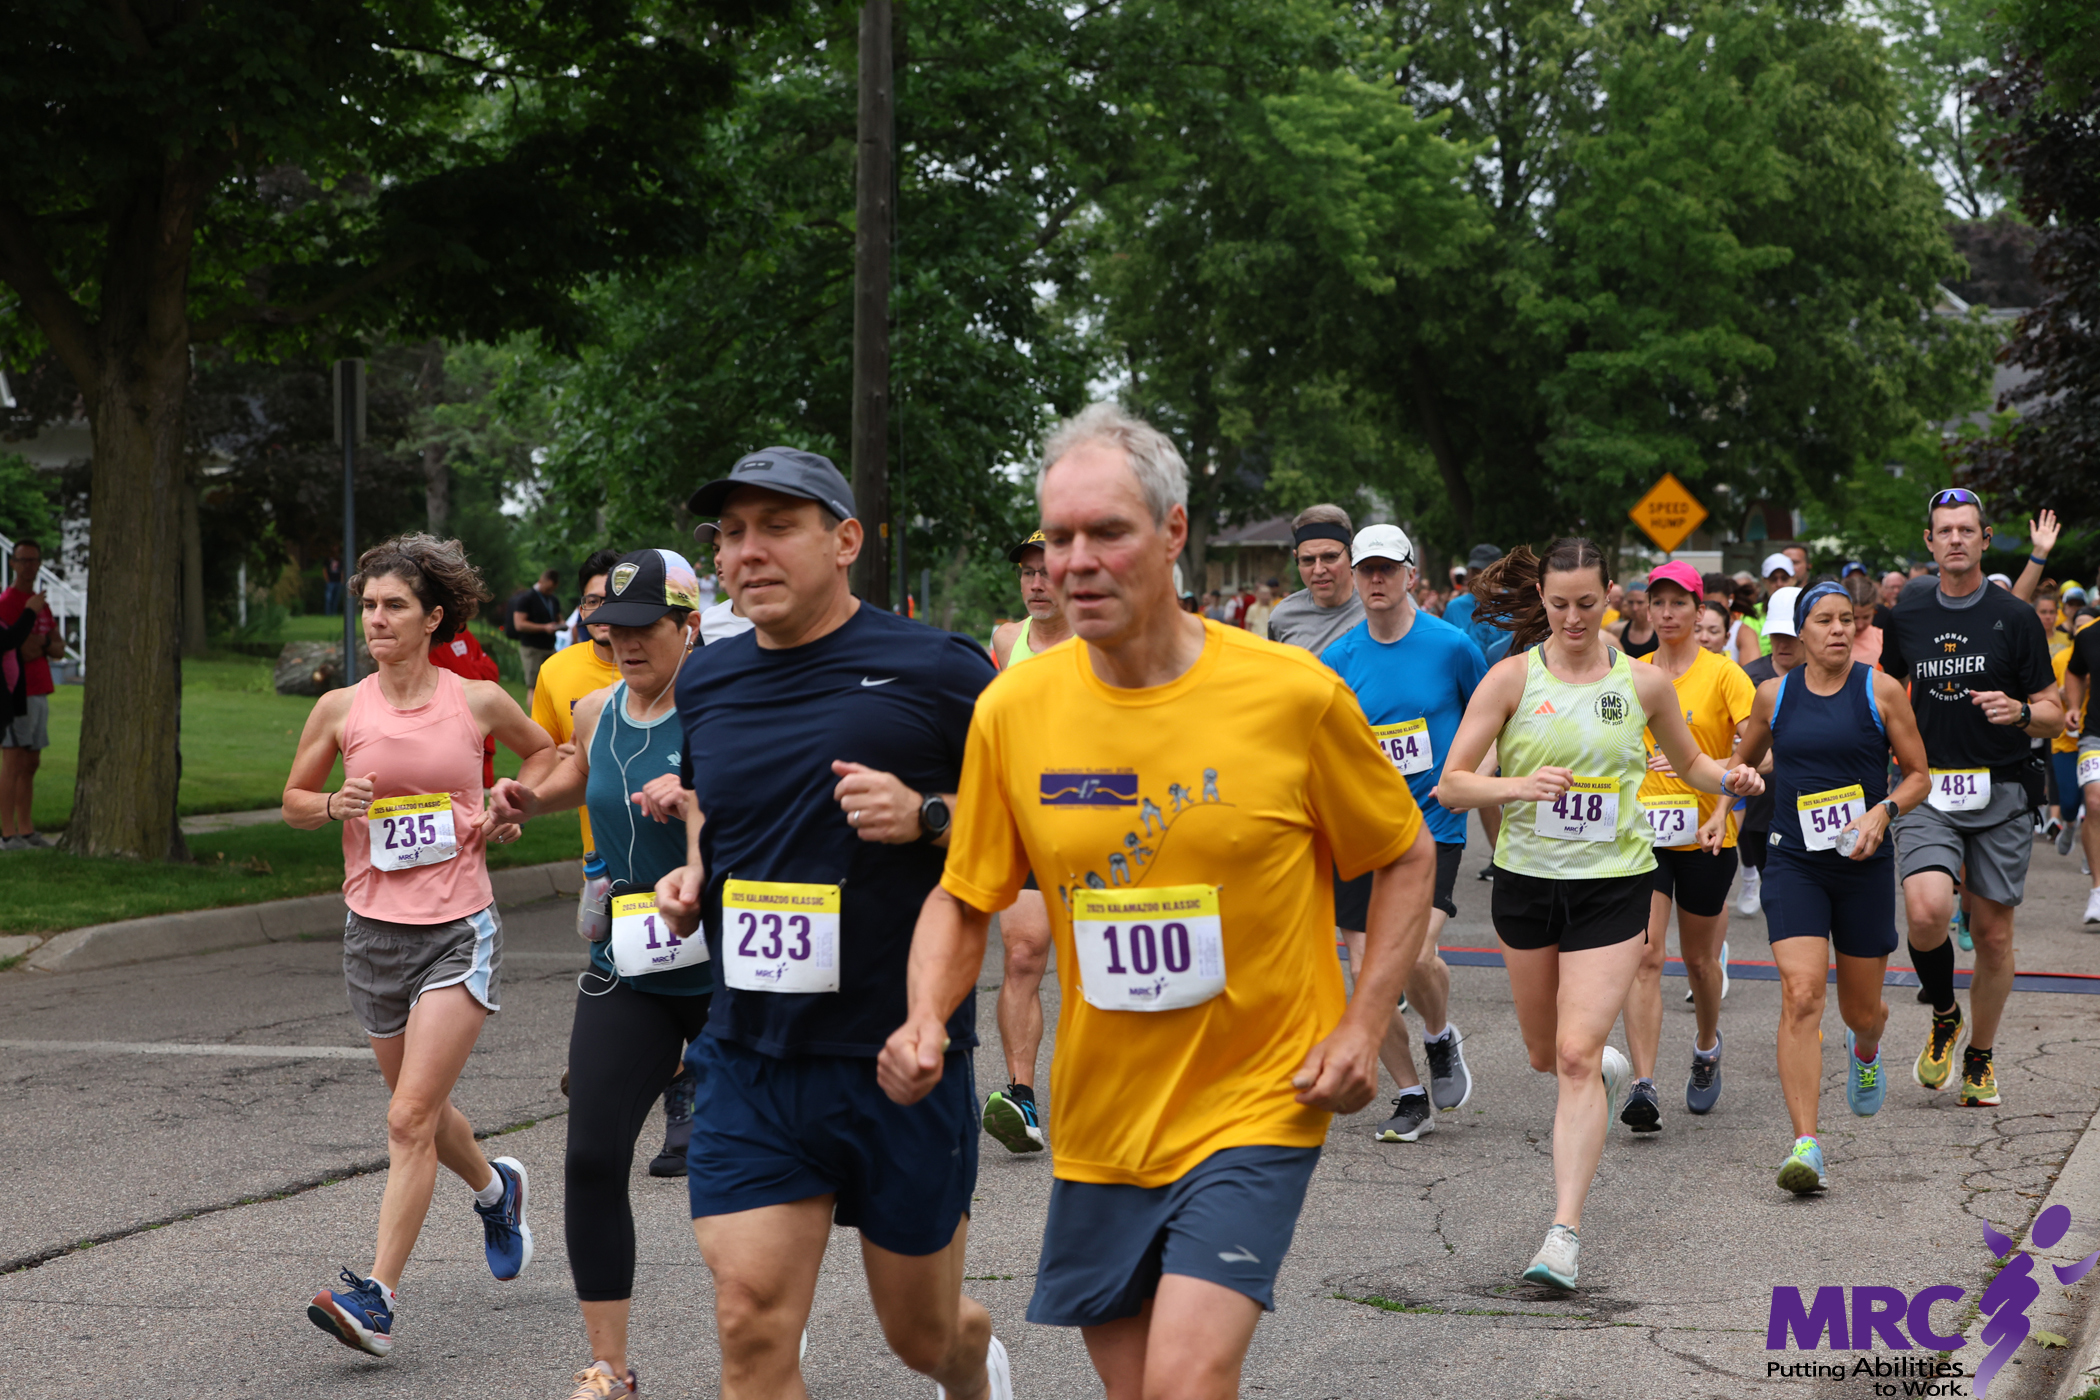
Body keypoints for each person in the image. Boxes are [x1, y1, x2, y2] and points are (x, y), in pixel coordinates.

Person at [880, 402, 1435, 1398]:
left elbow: (1403, 853)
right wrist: (924, 1016)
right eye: (1058, 538)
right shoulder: (1015, 707)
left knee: (1184, 1377)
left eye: (1107, 532)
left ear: (1174, 531)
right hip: (1105, 1118)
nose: (1075, 562)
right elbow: (966, 897)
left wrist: (1361, 1023)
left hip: (1260, 1097)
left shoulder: (1291, 694)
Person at [651, 447, 1012, 1400]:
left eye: (778, 527)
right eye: (732, 533)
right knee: (750, 1322)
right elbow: (713, 806)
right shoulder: (709, 680)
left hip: (898, 1058)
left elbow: (1024, 826)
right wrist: (696, 875)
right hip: (751, 1056)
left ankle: (972, 1362)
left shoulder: (938, 669)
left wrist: (926, 814)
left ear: (845, 541)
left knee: (922, 1334)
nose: (748, 551)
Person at [1437, 540, 1760, 1289]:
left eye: (1588, 603)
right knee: (1546, 1055)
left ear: (1612, 594)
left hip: (1615, 884)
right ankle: (1608, 1071)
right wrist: (1516, 787)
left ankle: (1563, 1235)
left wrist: (1732, 779)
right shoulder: (1510, 678)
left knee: (1576, 1056)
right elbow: (1452, 785)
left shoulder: (1643, 684)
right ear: (1542, 600)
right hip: (1527, 885)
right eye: (1559, 605)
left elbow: (1693, 764)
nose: (1574, 618)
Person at [282, 533, 556, 1359]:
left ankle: (375, 1298)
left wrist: (512, 803)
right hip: (372, 934)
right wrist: (333, 805)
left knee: (407, 1117)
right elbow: (293, 800)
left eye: (394, 605)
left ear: (433, 618)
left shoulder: (476, 700)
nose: (376, 619)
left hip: (457, 929)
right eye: (369, 605)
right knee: (423, 1112)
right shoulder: (341, 709)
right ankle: (497, 1189)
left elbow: (547, 755)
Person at [490, 548, 711, 1400]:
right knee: (590, 1155)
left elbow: (777, 808)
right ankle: (610, 1368)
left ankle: (770, 1324)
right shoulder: (594, 709)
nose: (625, 641)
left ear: (688, 626)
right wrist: (531, 799)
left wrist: (695, 805)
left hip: (726, 962)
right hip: (632, 959)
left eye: (646, 626)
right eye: (611, 627)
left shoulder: (726, 709)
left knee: (749, 1164)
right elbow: (584, 773)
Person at [1730, 583, 1929, 1193]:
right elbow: (1742, 766)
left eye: (1846, 619)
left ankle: (1865, 1048)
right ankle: (1807, 1145)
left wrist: (1883, 811)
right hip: (1795, 862)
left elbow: (1919, 775)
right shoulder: (1774, 695)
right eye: (1824, 620)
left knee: (1861, 1011)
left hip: (1862, 864)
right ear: (1801, 631)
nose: (1839, 629)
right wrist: (1723, 805)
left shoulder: (1880, 690)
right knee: (1801, 993)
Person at [1878, 488, 2062, 1108]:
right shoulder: (1907, 613)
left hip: (2002, 789)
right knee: (1926, 911)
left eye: (1966, 529)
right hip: (1927, 785)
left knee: (1992, 936)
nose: (1955, 539)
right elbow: (1884, 694)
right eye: (1944, 530)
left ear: (1984, 540)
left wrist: (2021, 712)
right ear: (1929, 543)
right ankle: (1945, 1013)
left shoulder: (2014, 616)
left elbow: (2055, 713)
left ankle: (1980, 1056)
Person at [1321, 523, 1488, 1142]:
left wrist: (1471, 782)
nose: (1376, 580)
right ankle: (1411, 1094)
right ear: (1354, 577)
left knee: (1415, 956)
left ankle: (1439, 1036)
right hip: (1362, 835)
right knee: (1367, 976)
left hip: (1433, 828)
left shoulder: (1452, 647)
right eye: (1366, 569)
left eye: (1388, 569)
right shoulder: (1337, 660)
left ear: (1411, 575)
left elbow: (1491, 721)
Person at [1617, 563, 1756, 1131]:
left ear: (1700, 612)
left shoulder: (1724, 674)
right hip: (1643, 835)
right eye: (1659, 602)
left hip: (1706, 835)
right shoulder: (1630, 674)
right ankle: (1643, 1084)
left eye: (1679, 603)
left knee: (1699, 962)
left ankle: (1705, 1046)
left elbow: (1761, 754)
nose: (1668, 613)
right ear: (1646, 610)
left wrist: (1708, 780)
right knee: (1645, 956)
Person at [976, 529, 1075, 1155]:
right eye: (1027, 573)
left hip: (1095, 824)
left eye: (1049, 572)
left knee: (1099, 966)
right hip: (1025, 825)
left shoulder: (1104, 641)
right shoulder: (1006, 640)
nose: (1037, 584)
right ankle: (1021, 1095)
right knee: (1022, 955)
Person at [531, 549, 626, 852]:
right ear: (582, 610)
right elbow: (541, 755)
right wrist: (563, 761)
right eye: (593, 601)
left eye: (613, 600)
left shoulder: (666, 667)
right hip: (598, 858)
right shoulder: (555, 670)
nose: (602, 610)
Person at [1734, 587, 1804, 918]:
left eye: (1790, 635)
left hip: (1817, 808)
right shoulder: (1748, 679)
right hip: (1763, 811)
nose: (1782, 644)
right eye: (1776, 635)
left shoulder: (1833, 678)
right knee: (1778, 898)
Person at [0, 538, 61, 848]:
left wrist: (44, 643)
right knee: (13, 761)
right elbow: (17, 647)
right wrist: (38, 642)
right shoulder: (8, 602)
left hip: (41, 688)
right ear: (12, 564)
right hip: (17, 692)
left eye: (34, 560)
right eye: (23, 560)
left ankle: (26, 829)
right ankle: (6, 833)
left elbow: (58, 648)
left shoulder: (40, 603)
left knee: (31, 763)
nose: (29, 566)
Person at [1266, 504, 1365, 652]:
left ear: (1351, 555)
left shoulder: (1380, 609)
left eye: (1330, 557)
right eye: (1308, 560)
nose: (1318, 570)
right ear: (1296, 558)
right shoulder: (1283, 617)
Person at [427, 623, 502, 790]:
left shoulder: (463, 633)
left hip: (475, 703)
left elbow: (492, 671)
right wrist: (474, 669)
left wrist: (472, 669)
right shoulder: (436, 640)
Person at [2065, 608, 2100, 922]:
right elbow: (2074, 671)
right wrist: (2074, 706)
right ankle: (2098, 891)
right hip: (2095, 735)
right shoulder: (2088, 635)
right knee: (2095, 801)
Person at [509, 568, 566, 695]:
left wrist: (561, 624)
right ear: (542, 581)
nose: (550, 591)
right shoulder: (526, 598)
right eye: (548, 588)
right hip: (532, 648)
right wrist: (544, 627)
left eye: (553, 589)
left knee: (553, 684)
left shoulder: (553, 599)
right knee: (534, 686)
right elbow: (519, 624)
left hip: (550, 647)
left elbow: (558, 617)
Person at [1846, 574, 1884, 669]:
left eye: (1866, 617)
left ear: (1874, 611)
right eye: (1854, 618)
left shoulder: (1882, 638)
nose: (1860, 625)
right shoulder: (1829, 640)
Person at [1614, 579, 1657, 659]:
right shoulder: (1618, 631)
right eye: (1630, 602)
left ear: (1650, 603)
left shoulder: (1660, 632)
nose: (1635, 608)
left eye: (1640, 602)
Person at [325, 552, 344, 616]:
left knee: (336, 599)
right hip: (330, 582)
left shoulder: (340, 560)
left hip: (338, 582)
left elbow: (342, 571)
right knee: (328, 599)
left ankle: (334, 613)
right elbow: (324, 570)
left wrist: (341, 580)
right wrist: (327, 580)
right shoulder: (327, 560)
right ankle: (328, 613)